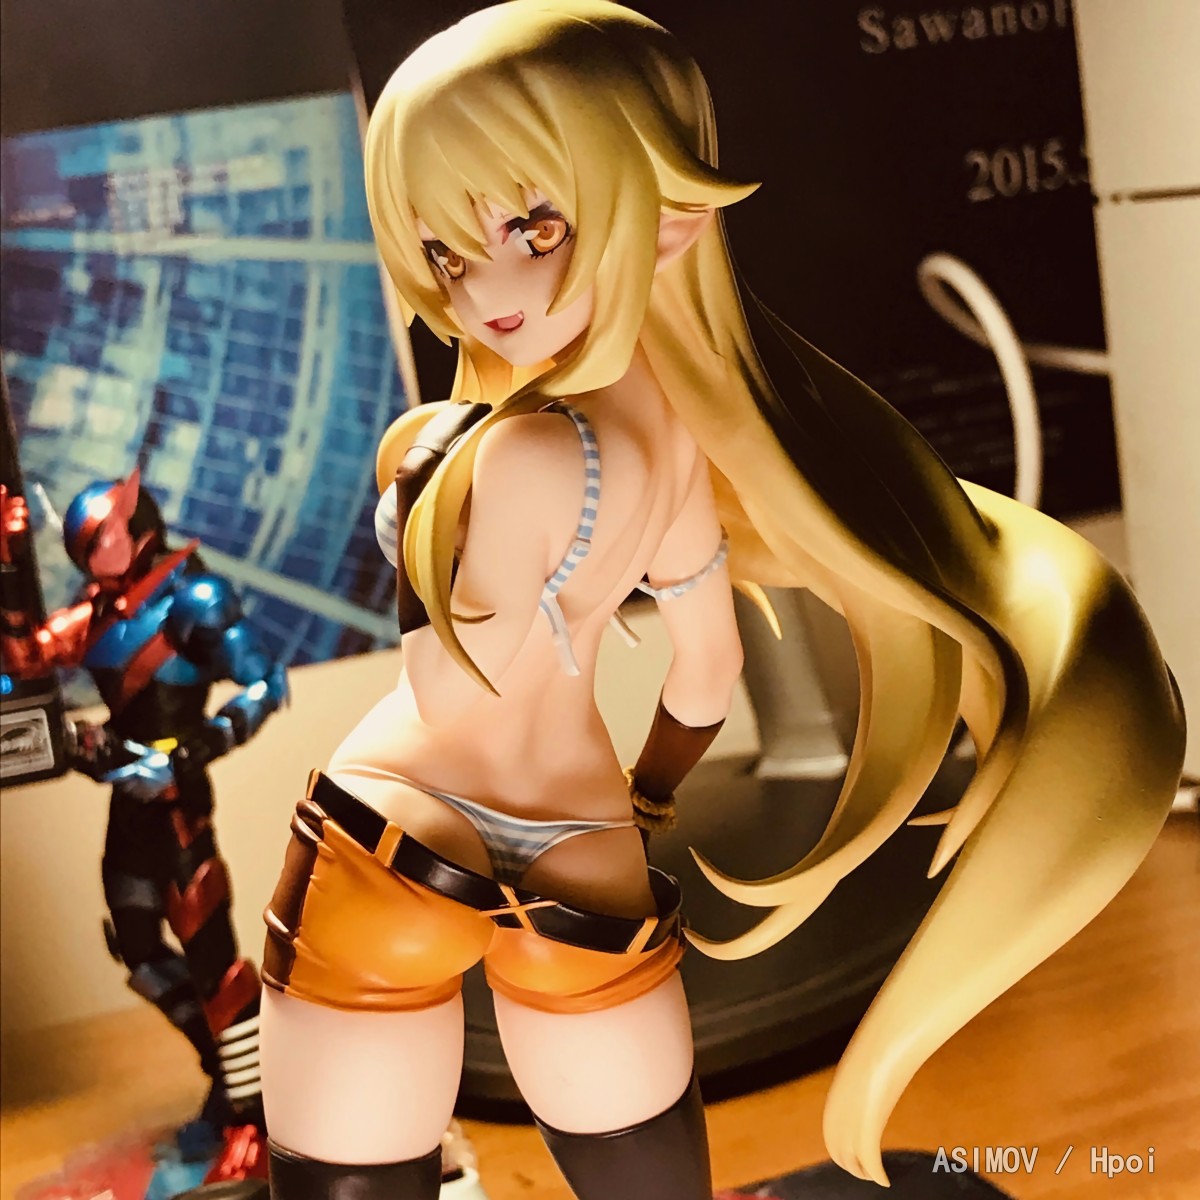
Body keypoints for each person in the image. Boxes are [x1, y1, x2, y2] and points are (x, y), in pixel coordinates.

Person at [257, 3, 1186, 1198]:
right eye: (445, 252)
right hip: (586, 849)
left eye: (535, 227)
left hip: (394, 831)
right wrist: (644, 792)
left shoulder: (505, 451)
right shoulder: (684, 451)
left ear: (671, 214)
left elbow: (453, 676)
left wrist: (428, 483)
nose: (486, 289)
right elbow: (706, 675)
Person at [0, 468, 287, 1187]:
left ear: (137, 527)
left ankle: (256, 1116)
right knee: (138, 951)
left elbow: (265, 682)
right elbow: (24, 659)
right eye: (84, 546)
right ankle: (227, 1077)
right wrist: (7, 562)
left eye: (99, 539)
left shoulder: (195, 600)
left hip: (178, 802)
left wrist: (192, 751)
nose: (90, 555)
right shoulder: (97, 613)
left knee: (214, 963)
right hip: (128, 803)